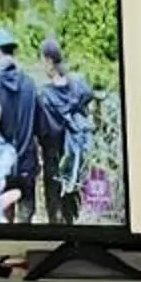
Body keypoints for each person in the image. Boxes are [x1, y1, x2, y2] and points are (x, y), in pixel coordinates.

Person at [32, 35, 96, 227]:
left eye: (42, 60)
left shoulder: (45, 94)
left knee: (54, 203)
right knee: (71, 200)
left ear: (49, 61)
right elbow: (89, 102)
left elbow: (43, 128)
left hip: (54, 156)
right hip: (73, 158)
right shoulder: (78, 85)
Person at [0, 34, 42, 221]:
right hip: (27, 160)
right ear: (14, 51)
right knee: (26, 216)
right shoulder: (30, 83)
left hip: (1, 164)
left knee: (4, 216)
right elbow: (40, 125)